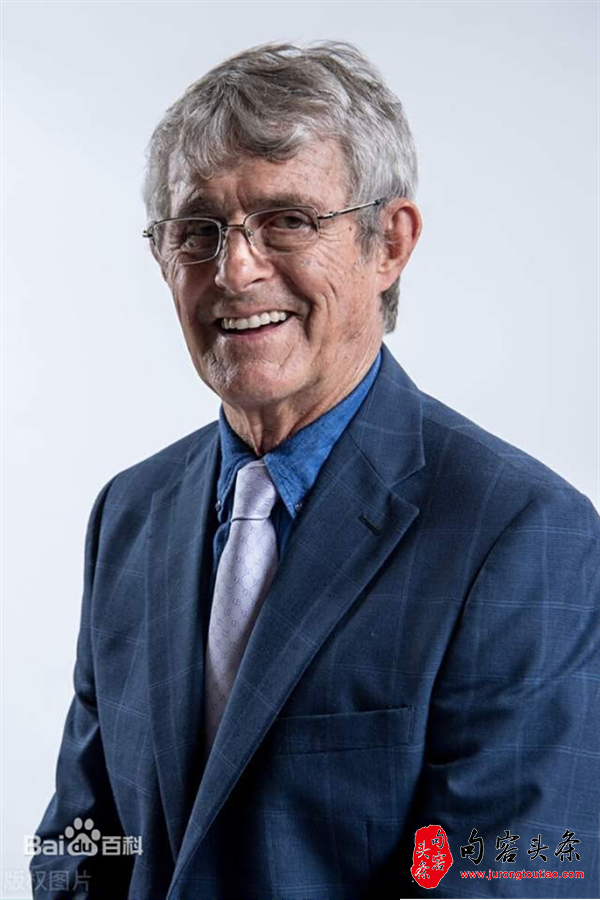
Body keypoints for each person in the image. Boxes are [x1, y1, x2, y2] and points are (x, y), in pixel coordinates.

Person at [31, 41, 599, 900]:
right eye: (198, 230)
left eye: (288, 220)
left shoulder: (523, 536)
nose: (235, 270)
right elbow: (87, 848)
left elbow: (508, 879)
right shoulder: (131, 513)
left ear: (389, 244)